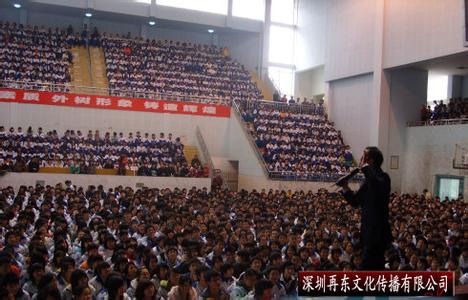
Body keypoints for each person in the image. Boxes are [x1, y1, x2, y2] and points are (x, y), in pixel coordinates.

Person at [338, 146, 392, 270]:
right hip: (368, 233)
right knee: (375, 268)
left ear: (371, 160)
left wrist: (365, 168)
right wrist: (345, 187)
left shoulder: (383, 178)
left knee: (366, 268)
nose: (361, 159)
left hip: (378, 233)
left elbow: (376, 185)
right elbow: (355, 202)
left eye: (364, 157)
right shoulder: (367, 182)